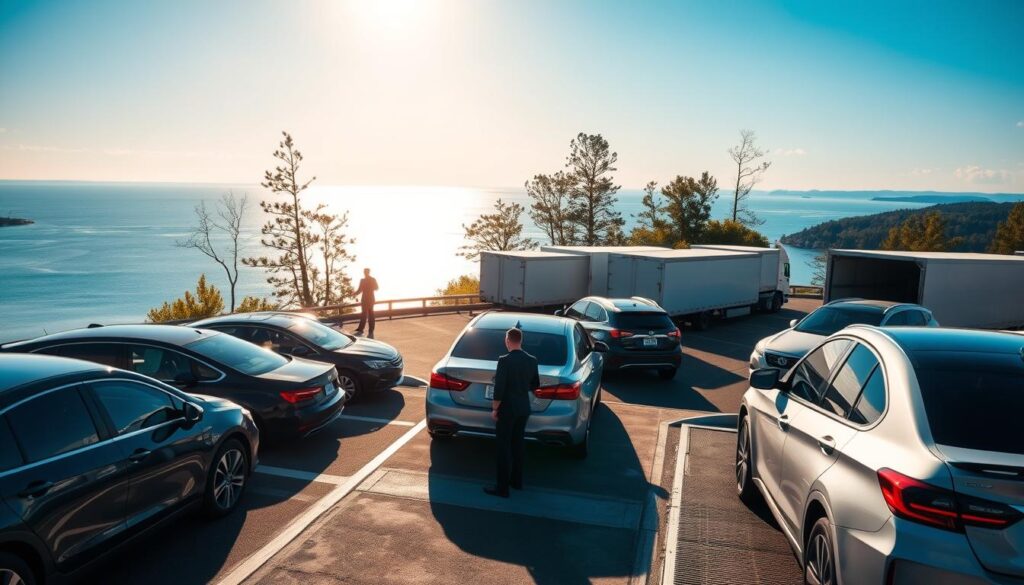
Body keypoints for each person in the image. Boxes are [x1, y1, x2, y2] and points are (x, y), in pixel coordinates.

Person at [484, 327, 540, 498]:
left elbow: (499, 389)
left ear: (507, 340)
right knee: (518, 445)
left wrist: (495, 409)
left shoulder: (504, 360)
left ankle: (502, 489)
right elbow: (535, 385)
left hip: (507, 409)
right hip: (524, 408)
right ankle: (516, 482)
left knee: (503, 448)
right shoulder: (532, 360)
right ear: (520, 341)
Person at [354, 268, 378, 337]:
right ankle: (361, 329)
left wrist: (369, 287)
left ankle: (370, 330)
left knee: (371, 314)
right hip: (365, 299)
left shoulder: (372, 279)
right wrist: (354, 294)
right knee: (364, 314)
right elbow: (359, 290)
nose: (365, 273)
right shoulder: (362, 280)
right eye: (364, 272)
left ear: (368, 272)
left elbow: (377, 288)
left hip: (370, 299)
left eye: (366, 272)